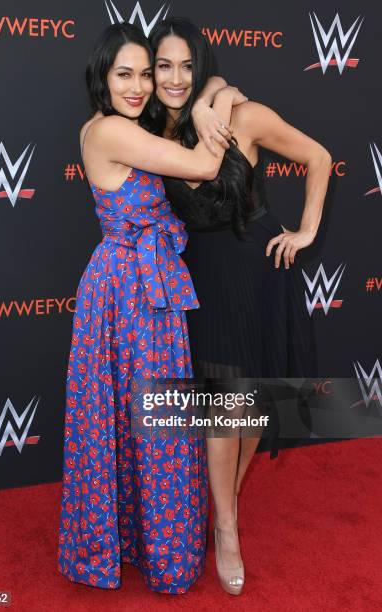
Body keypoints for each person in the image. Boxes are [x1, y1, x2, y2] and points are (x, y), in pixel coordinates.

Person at [57, 23, 244, 594]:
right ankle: (156, 552)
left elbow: (210, 86)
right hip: (126, 295)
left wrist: (212, 93)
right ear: (101, 77)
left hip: (147, 289)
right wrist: (214, 110)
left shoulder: (130, 126)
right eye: (125, 74)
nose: (139, 86)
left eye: (146, 73)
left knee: (147, 423)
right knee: (147, 424)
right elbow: (208, 167)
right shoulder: (111, 131)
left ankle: (144, 542)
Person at [148, 17, 332, 595]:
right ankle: (226, 528)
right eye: (163, 66)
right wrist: (207, 96)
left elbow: (319, 157)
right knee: (222, 407)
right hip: (202, 281)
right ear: (151, 75)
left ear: (199, 65)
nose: (175, 77)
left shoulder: (243, 115)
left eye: (187, 66)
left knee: (250, 407)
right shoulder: (154, 131)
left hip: (259, 270)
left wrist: (305, 231)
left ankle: (221, 503)